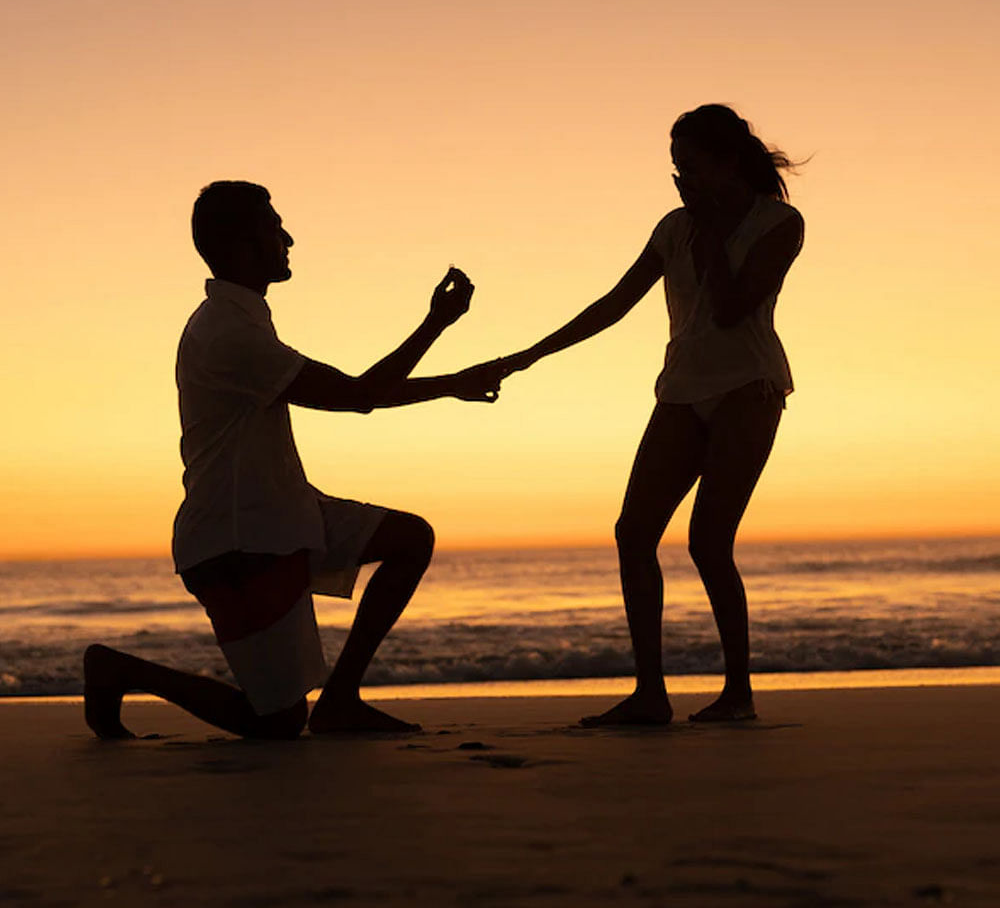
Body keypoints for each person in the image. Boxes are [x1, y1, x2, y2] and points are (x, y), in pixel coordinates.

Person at [84, 181, 505, 740]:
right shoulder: (229, 333)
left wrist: (438, 331)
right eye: (273, 227)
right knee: (276, 723)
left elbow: (359, 392)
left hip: (285, 513)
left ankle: (342, 701)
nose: (288, 238)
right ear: (239, 245)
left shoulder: (244, 318)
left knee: (409, 539)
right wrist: (451, 370)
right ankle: (121, 669)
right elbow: (358, 397)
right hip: (239, 542)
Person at [493, 105, 804, 725]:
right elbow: (615, 302)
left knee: (709, 543)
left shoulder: (780, 223)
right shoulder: (671, 227)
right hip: (681, 390)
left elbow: (730, 310)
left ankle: (737, 695)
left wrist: (712, 229)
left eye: (689, 166)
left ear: (726, 161)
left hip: (750, 388)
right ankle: (650, 694)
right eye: (675, 168)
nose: (679, 179)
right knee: (633, 533)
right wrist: (528, 355)